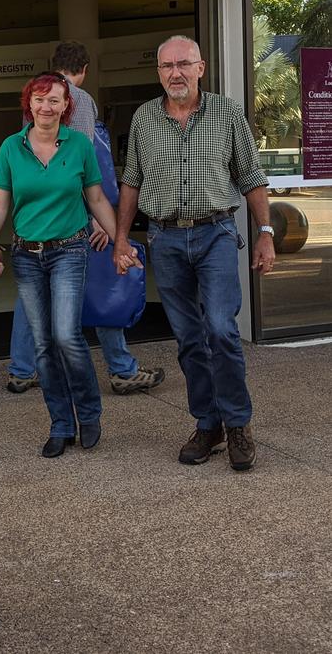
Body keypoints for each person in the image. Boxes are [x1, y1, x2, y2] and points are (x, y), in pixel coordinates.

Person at [115, 35, 275, 471]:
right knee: (188, 338)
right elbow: (132, 181)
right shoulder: (145, 118)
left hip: (216, 234)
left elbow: (250, 175)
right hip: (164, 240)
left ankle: (238, 423)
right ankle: (209, 424)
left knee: (221, 329)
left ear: (200, 68)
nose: (175, 74)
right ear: (159, 73)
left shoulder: (226, 112)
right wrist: (121, 237)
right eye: (167, 67)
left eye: (183, 64)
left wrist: (265, 231)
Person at [7, 41, 164, 396]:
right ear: (84, 70)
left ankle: (22, 368)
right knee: (99, 283)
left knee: (31, 292)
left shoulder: (36, 99)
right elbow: (84, 165)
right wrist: (99, 218)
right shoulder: (78, 100)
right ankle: (122, 369)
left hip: (34, 218)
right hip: (72, 218)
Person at [0, 72, 117, 458]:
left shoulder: (79, 144)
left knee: (66, 335)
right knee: (42, 345)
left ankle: (89, 413)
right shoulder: (12, 147)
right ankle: (61, 423)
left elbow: (95, 198)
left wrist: (120, 242)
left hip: (70, 250)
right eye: (40, 100)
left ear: (65, 107)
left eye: (54, 101)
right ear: (29, 104)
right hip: (27, 254)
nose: (46, 107)